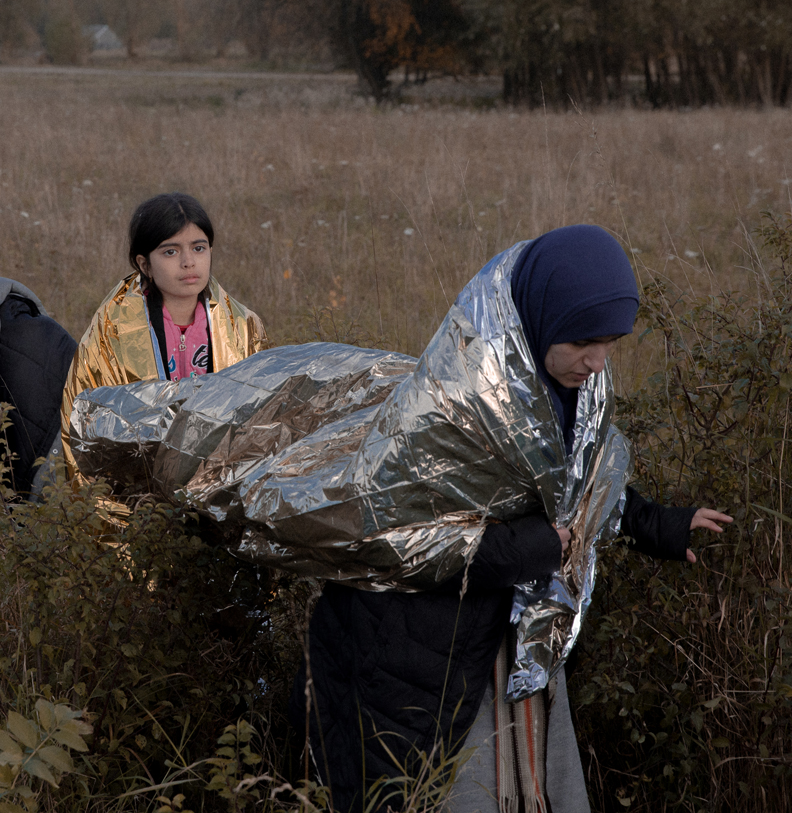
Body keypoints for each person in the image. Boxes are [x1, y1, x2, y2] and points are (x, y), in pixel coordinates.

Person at [292, 225, 733, 813]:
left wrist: (661, 525)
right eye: (584, 341)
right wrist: (532, 548)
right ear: (544, 318)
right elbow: (400, 539)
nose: (598, 362)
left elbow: (579, 483)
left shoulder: (562, 387)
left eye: (611, 343)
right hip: (418, 652)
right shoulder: (453, 407)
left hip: (504, 643)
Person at [59, 192, 268, 487]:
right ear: (144, 264)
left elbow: (263, 418)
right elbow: (83, 421)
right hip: (138, 492)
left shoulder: (243, 326)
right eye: (170, 252)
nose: (188, 262)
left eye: (199, 248)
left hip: (221, 484)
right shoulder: (112, 331)